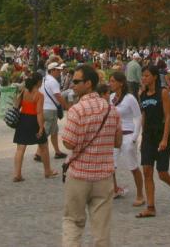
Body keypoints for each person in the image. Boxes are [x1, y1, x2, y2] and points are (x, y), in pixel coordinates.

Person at [61, 65, 122, 246]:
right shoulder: (111, 110)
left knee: (73, 221)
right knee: (101, 229)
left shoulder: (76, 110)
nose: (73, 84)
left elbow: (69, 143)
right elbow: (118, 142)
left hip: (79, 174)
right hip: (104, 176)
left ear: (88, 83)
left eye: (77, 81)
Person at [136, 65, 170, 219]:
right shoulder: (143, 94)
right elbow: (144, 116)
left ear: (154, 77)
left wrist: (165, 139)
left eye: (146, 75)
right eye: (142, 76)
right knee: (147, 171)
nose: (143, 78)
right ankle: (150, 207)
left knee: (163, 174)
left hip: (161, 137)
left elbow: (168, 116)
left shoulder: (163, 93)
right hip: (148, 138)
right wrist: (141, 136)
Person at [11, 73, 59, 181]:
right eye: (41, 81)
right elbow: (39, 113)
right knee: (43, 146)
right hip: (33, 121)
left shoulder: (24, 91)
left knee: (20, 148)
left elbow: (17, 105)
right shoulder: (39, 95)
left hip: (22, 120)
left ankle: (17, 174)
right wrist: (41, 127)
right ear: (38, 82)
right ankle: (48, 171)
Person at [109, 71, 144, 206]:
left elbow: (138, 117)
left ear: (121, 83)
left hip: (128, 135)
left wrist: (135, 138)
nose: (110, 84)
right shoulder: (111, 97)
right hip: (114, 136)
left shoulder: (130, 98)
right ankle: (114, 189)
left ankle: (140, 194)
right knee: (110, 166)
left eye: (113, 81)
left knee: (133, 166)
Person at [41, 62, 70, 162]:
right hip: (51, 110)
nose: (59, 72)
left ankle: (57, 152)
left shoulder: (44, 79)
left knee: (54, 131)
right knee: (46, 133)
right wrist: (66, 106)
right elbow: (58, 96)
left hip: (44, 108)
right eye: (57, 70)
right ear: (52, 70)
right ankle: (38, 154)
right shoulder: (53, 81)